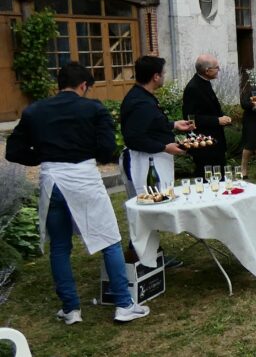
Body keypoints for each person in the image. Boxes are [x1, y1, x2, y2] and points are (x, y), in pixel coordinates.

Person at [5, 63, 151, 323]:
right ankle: (123, 303)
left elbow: (13, 151)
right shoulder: (93, 108)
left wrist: (43, 156)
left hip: (52, 181)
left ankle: (71, 309)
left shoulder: (35, 110)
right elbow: (107, 150)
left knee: (60, 246)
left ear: (59, 84)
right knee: (109, 240)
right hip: (83, 177)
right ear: (84, 86)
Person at [120, 56, 192, 195]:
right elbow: (134, 137)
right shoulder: (140, 102)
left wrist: (174, 125)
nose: (164, 76)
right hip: (146, 162)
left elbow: (151, 124)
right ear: (156, 77)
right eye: (163, 73)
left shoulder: (144, 96)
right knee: (154, 201)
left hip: (156, 158)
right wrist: (164, 147)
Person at [181, 54, 231, 177]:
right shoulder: (193, 88)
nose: (219, 69)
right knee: (208, 179)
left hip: (214, 142)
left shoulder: (204, 82)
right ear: (207, 71)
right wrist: (217, 120)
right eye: (217, 67)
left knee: (219, 178)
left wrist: (222, 117)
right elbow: (190, 118)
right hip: (204, 144)